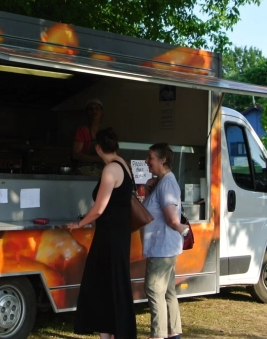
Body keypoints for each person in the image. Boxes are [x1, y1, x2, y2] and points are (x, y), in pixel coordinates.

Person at [66, 127, 137, 339]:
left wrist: (79, 224)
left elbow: (99, 208)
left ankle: (110, 334)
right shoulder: (124, 164)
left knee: (103, 284)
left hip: (109, 236)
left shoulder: (110, 170)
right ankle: (111, 333)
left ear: (98, 148)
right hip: (119, 234)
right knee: (112, 284)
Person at [142, 142, 187, 339]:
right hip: (164, 246)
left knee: (153, 289)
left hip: (162, 247)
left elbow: (171, 218)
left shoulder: (167, 184)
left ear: (163, 160)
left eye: (150, 157)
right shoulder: (162, 183)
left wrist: (179, 226)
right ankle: (173, 332)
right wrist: (149, 190)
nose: (147, 161)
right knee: (167, 291)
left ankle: (158, 335)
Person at [72, 99, 105, 176]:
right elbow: (75, 154)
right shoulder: (82, 131)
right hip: (83, 170)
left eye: (97, 108)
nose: (94, 111)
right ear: (87, 113)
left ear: (102, 113)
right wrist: (99, 159)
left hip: (100, 171)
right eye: (91, 109)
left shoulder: (104, 133)